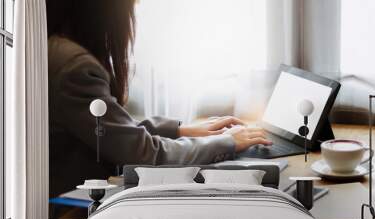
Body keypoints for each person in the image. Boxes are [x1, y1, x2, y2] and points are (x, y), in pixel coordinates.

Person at [46, 0, 271, 198]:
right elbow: (145, 156)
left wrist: (183, 131)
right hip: (69, 204)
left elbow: (113, 132)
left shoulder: (56, 49)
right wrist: (226, 142)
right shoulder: (73, 67)